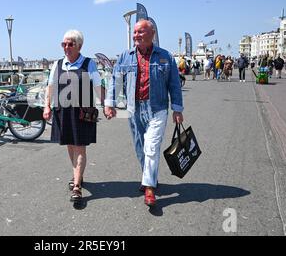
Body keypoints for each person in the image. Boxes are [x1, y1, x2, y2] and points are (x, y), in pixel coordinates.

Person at [104, 20, 184, 208]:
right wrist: (110, 103)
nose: (136, 35)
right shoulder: (125, 56)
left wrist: (177, 109)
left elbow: (174, 84)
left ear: (152, 34)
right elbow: (115, 81)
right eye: (134, 32)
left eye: (140, 32)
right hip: (134, 108)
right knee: (140, 146)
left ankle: (149, 186)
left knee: (151, 146)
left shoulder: (165, 57)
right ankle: (149, 176)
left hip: (158, 108)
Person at [43, 30, 105, 204]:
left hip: (82, 112)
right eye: (64, 44)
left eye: (70, 44)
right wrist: (46, 106)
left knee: (80, 147)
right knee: (70, 145)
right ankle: (78, 175)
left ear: (79, 46)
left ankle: (77, 185)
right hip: (63, 111)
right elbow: (50, 86)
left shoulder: (88, 63)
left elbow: (99, 85)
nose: (66, 47)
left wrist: (107, 104)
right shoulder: (57, 64)